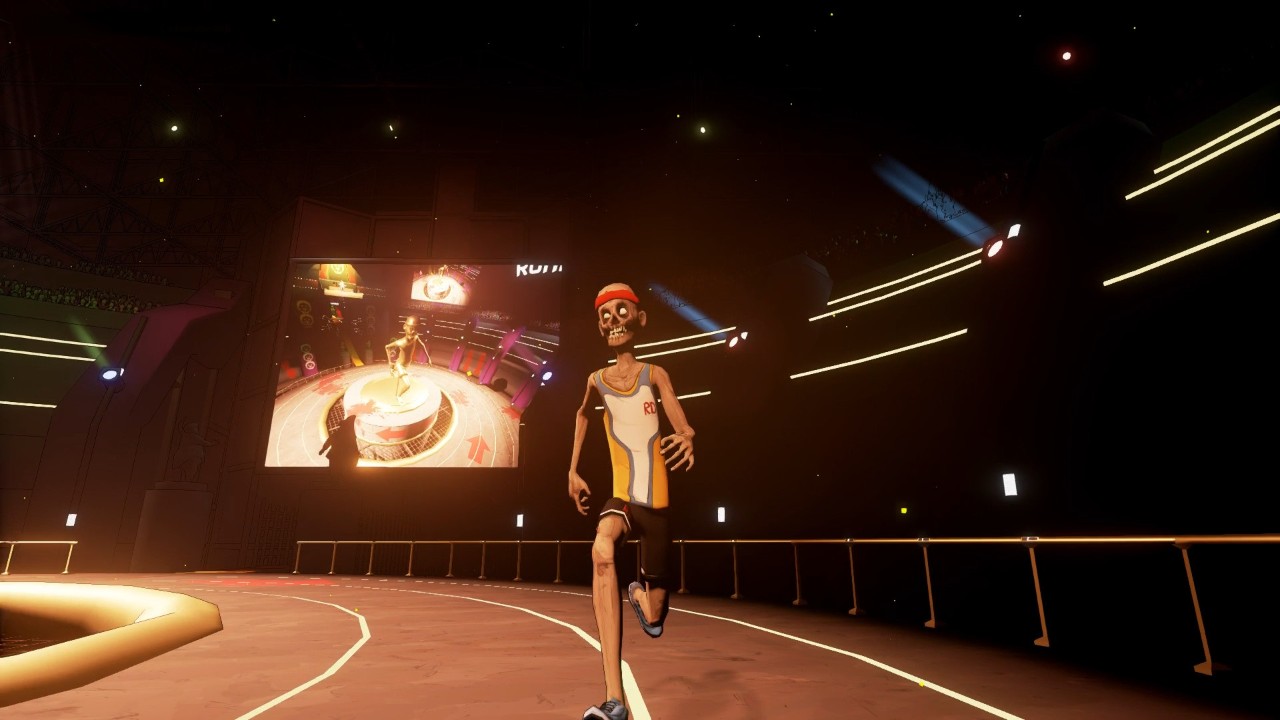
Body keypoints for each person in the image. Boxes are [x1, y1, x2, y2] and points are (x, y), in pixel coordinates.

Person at [568, 282, 695, 720]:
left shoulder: (654, 374)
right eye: (604, 316)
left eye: (620, 312)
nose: (612, 322)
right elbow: (582, 414)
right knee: (602, 548)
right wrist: (572, 469)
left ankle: (644, 600)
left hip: (655, 503)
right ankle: (614, 699)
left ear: (639, 319)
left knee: (655, 620)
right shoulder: (596, 381)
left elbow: (677, 415)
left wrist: (687, 433)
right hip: (621, 496)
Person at [385, 315, 432, 402]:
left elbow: (422, 345)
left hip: (406, 364)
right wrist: (390, 362)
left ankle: (393, 370)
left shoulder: (415, 337)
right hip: (400, 365)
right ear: (404, 327)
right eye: (411, 328)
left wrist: (428, 358)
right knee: (407, 385)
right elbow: (387, 347)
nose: (413, 331)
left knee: (399, 376)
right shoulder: (400, 342)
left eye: (415, 329)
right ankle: (398, 396)